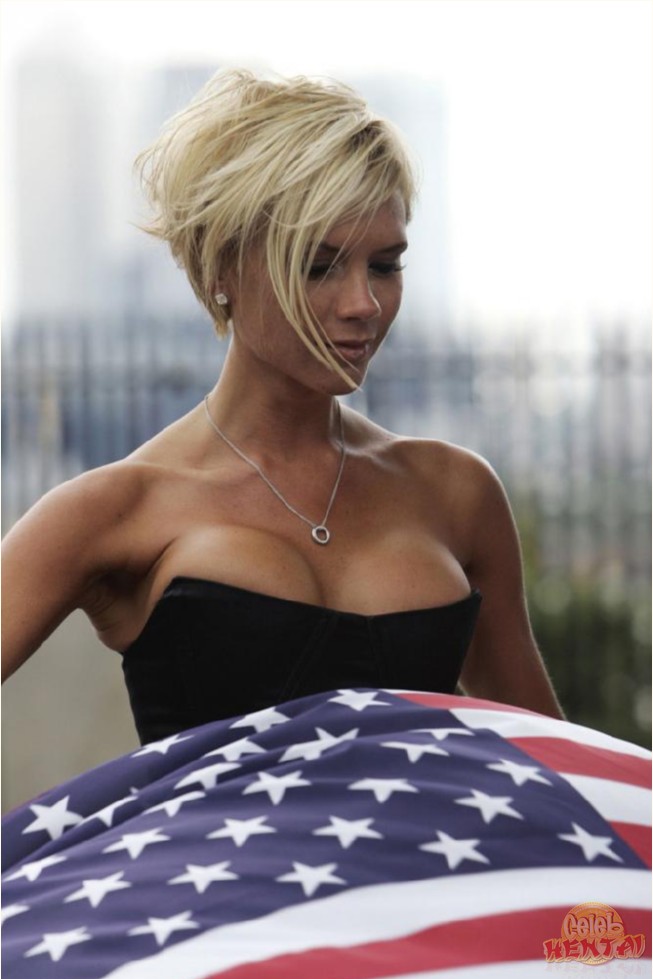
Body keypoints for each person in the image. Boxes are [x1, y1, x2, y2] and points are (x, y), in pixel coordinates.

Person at [1, 69, 563, 744]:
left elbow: (552, 758)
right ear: (221, 269)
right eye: (318, 266)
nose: (363, 303)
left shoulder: (455, 492)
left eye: (384, 265)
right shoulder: (113, 510)